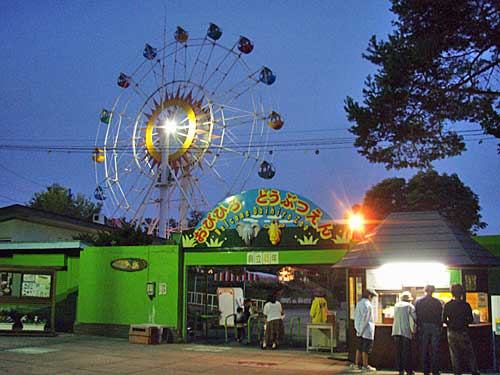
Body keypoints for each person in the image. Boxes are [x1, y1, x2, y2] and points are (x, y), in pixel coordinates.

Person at [443, 283, 480, 375]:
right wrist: (465, 324)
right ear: (461, 293)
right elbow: (471, 319)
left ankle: (457, 372)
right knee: (469, 353)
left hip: (451, 332)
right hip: (463, 331)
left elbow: (443, 319)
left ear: (452, 293)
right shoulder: (466, 305)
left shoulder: (448, 305)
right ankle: (474, 371)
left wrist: (450, 324)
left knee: (454, 354)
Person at [415, 285, 443, 375]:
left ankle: (425, 370)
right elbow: (440, 316)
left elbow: (416, 315)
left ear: (425, 290)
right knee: (435, 349)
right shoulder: (438, 302)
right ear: (433, 291)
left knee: (424, 349)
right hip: (435, 326)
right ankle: (435, 370)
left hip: (423, 326)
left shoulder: (419, 302)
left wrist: (419, 325)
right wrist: (440, 326)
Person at [352, 288, 378, 372]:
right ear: (369, 296)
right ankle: (365, 365)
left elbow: (357, 318)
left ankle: (356, 364)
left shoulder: (359, 303)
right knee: (366, 349)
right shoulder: (368, 305)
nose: (372, 299)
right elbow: (366, 319)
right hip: (366, 330)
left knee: (359, 348)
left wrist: (358, 330)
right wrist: (362, 330)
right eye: (372, 297)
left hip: (359, 329)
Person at [392, 291, 417, 375]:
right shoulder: (410, 306)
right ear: (409, 299)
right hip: (405, 331)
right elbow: (415, 318)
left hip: (396, 331)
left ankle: (400, 369)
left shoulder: (396, 305)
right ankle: (408, 370)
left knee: (398, 352)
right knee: (407, 352)